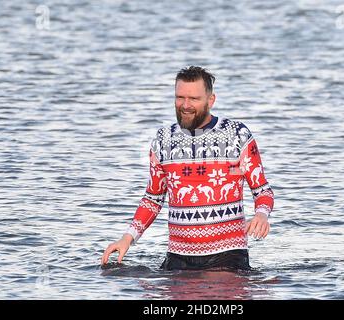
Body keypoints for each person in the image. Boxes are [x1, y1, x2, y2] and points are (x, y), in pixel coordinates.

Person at [101, 66, 274, 270]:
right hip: (177, 256)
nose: (185, 105)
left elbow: (263, 191)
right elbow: (153, 198)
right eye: (180, 97)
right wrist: (127, 239)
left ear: (211, 100)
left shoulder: (237, 135)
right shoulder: (162, 139)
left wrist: (261, 214)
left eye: (193, 99)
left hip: (227, 256)